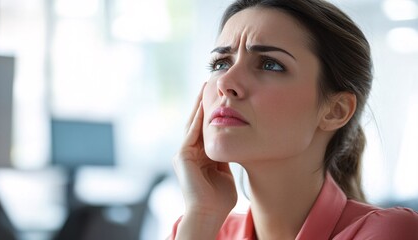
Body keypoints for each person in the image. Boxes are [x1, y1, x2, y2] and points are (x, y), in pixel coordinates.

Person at [169, 0, 418, 239]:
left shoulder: (390, 232)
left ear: (336, 110)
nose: (225, 82)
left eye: (270, 64)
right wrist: (202, 215)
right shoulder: (198, 228)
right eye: (221, 64)